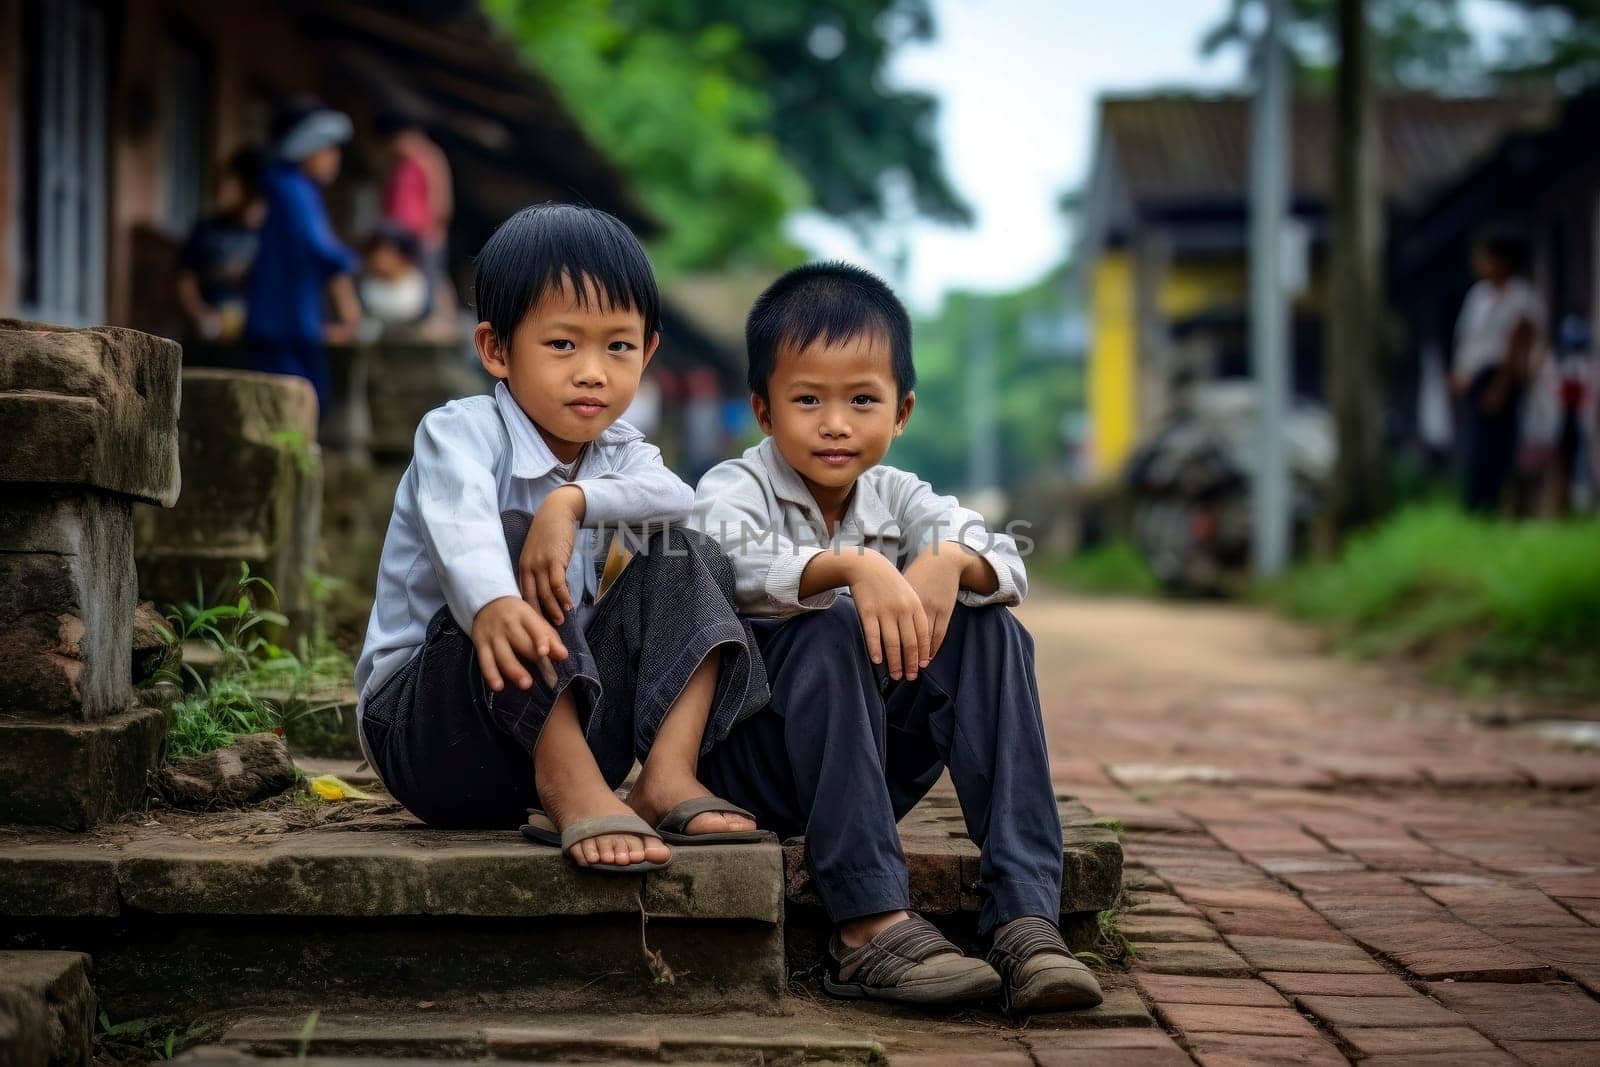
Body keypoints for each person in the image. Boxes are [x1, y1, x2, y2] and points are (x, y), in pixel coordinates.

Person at [690, 263, 1103, 1013]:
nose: (836, 422)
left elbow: (1006, 562)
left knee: (992, 630)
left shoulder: (901, 494)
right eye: (807, 398)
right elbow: (724, 562)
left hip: (862, 763)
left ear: (902, 411)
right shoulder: (733, 486)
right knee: (834, 619)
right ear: (763, 408)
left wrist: (949, 559)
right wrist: (849, 565)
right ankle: (867, 925)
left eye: (862, 399)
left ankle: (1024, 916)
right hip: (750, 763)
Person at [354, 203, 770, 873]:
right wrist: (493, 602)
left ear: (649, 352)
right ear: (495, 349)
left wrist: (571, 500)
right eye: (562, 344)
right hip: (434, 733)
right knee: (514, 540)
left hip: (576, 721)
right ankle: (572, 783)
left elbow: (677, 499)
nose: (593, 372)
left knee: (690, 552)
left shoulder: (620, 450)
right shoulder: (458, 432)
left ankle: (666, 772)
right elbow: (461, 524)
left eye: (619, 347)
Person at [244, 99, 362, 412]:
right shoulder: (290, 188)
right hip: (282, 320)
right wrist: (349, 270)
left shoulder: (294, 187)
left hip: (291, 318)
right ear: (305, 147)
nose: (334, 159)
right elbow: (318, 248)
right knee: (292, 404)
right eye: (328, 149)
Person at [1452, 228, 1544, 513]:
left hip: (1503, 379)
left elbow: (1518, 348)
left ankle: (1499, 503)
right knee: (1476, 444)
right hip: (1477, 377)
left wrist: (1501, 386)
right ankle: (1477, 504)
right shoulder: (1478, 297)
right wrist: (1461, 372)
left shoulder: (1521, 298)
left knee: (1499, 445)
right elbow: (1468, 339)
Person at [175, 147, 265, 343]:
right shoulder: (208, 229)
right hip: (210, 332)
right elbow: (185, 277)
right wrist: (199, 314)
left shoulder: (274, 235)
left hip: (259, 337)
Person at [376, 110, 453, 299]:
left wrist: (431, 229)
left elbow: (441, 200)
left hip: (424, 235)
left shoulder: (428, 158)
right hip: (402, 237)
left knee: (431, 283)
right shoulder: (400, 166)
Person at [357, 222, 430, 331]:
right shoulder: (361, 285)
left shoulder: (421, 284)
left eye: (387, 252)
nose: (378, 258)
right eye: (374, 251)